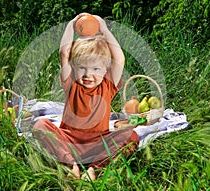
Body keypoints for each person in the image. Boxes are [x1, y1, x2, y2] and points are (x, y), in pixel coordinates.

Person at [32, 13, 166, 181]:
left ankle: (93, 168)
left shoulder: (107, 86)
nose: (88, 74)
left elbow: (120, 58)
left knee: (131, 135)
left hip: (97, 143)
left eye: (95, 69)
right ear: (74, 68)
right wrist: (71, 24)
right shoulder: (71, 84)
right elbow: (64, 52)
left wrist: (103, 28)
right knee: (40, 125)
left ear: (105, 70)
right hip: (69, 140)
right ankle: (71, 164)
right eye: (82, 68)